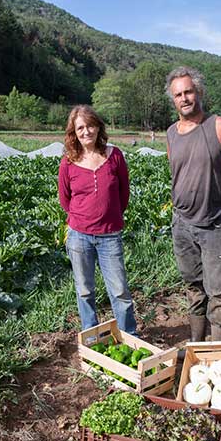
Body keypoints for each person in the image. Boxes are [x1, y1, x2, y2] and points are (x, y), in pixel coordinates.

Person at [165, 66, 221, 341]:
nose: (184, 98)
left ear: (198, 92)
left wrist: (215, 193)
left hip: (214, 223)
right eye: (178, 94)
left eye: (188, 91)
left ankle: (218, 350)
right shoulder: (171, 133)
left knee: (218, 291)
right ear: (173, 99)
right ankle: (196, 344)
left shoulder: (220, 127)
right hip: (182, 224)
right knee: (192, 286)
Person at [58, 105, 137, 334]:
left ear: (98, 127)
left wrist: (109, 216)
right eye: (80, 128)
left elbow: (124, 194)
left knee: (120, 291)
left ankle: (129, 336)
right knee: (84, 290)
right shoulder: (69, 162)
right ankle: (91, 335)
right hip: (79, 236)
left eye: (90, 125)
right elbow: (65, 199)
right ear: (74, 132)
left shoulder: (114, 156)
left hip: (109, 236)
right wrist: (83, 217)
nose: (86, 132)